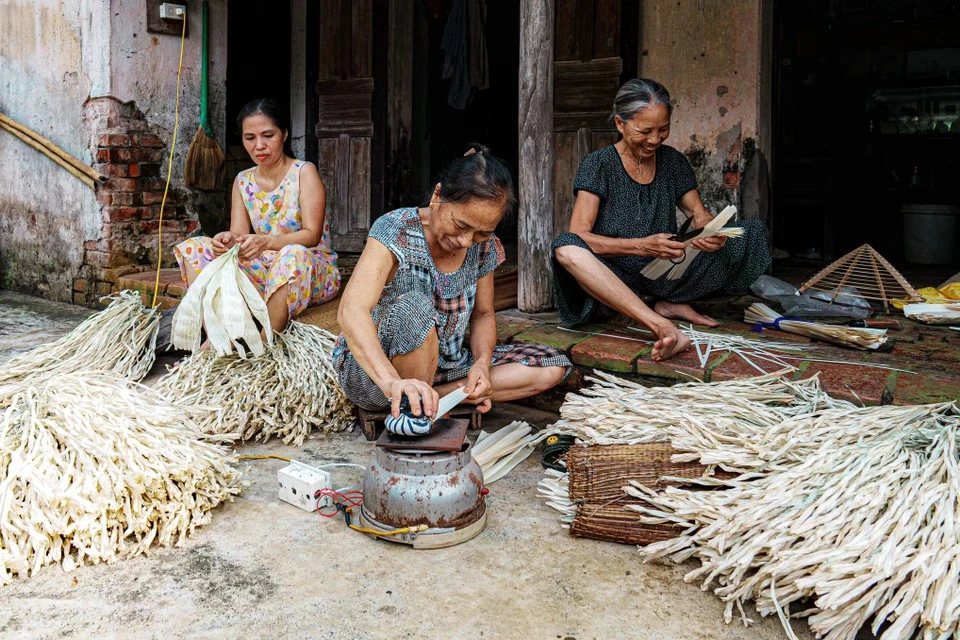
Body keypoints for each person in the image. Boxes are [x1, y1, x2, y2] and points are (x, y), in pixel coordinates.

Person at [334, 145, 570, 423]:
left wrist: (481, 365)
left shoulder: (484, 248)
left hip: (448, 366)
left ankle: (443, 393)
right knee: (415, 306)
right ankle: (410, 398)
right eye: (461, 225)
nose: (466, 241)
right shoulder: (395, 229)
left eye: (482, 233)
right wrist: (389, 382)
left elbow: (483, 314)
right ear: (437, 196)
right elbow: (352, 310)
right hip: (377, 375)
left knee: (551, 366)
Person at [552, 78, 771, 361]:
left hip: (665, 271)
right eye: (645, 131)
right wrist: (642, 246)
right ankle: (659, 321)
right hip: (613, 277)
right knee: (565, 247)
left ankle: (663, 302)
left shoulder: (672, 161)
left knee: (749, 234)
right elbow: (581, 236)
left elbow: (698, 214)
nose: (655, 139)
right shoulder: (599, 165)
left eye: (663, 129)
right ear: (620, 124)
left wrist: (710, 233)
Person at [174, 98, 340, 339]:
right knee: (193, 247)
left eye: (268, 135)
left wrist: (266, 242)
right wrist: (227, 240)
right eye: (250, 138)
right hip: (264, 271)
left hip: (307, 269)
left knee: (292, 253)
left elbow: (312, 235)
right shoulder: (243, 180)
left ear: (283, 134)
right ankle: (219, 338)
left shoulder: (304, 172)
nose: (259, 145)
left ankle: (263, 343)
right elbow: (239, 235)